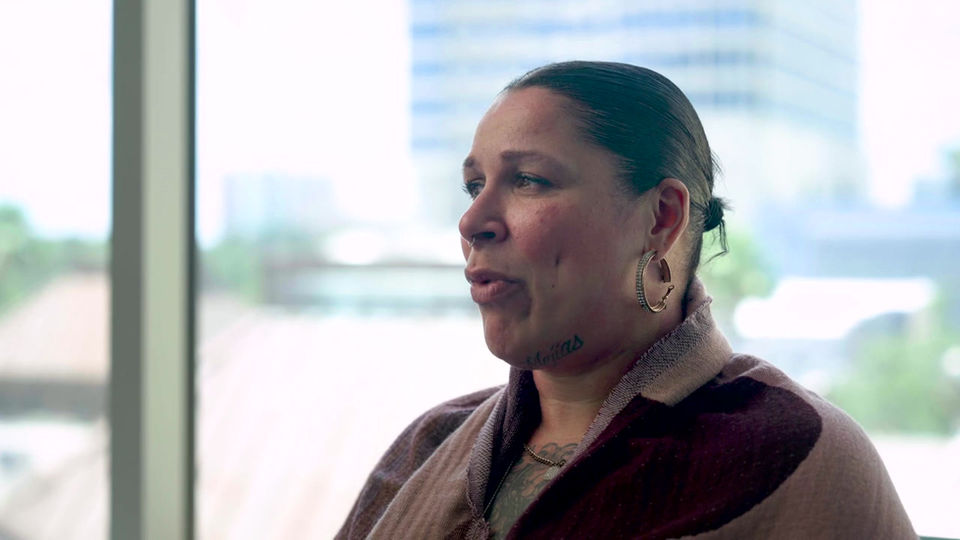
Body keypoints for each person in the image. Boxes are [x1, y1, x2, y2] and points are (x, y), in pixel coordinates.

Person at [337, 61, 915, 539]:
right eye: (473, 185)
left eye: (529, 180)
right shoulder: (430, 444)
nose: (472, 222)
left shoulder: (788, 452)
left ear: (661, 218)